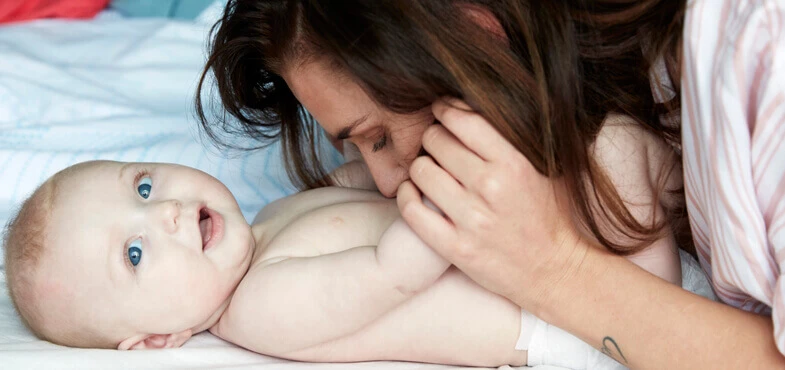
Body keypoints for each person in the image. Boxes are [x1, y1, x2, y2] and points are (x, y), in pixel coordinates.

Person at [196, 0, 785, 368]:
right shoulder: (622, 82)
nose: (383, 181)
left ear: (478, 36)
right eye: (356, 148)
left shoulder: (762, 50)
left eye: (378, 137)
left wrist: (556, 268)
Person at [4, 160, 688, 368]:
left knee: (623, 167)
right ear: (158, 338)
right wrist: (441, 184)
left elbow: (359, 198)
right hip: (573, 325)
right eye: (134, 253)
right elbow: (393, 270)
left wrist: (361, 173)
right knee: (625, 166)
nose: (165, 215)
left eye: (143, 187)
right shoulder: (260, 306)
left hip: (547, 256)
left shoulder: (267, 222)